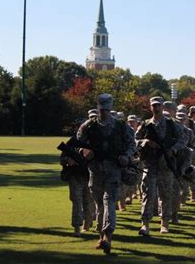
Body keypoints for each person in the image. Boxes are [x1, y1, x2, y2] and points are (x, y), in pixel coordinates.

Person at [76, 93, 136, 254]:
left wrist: (126, 156)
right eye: (102, 110)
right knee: (99, 204)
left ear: (110, 108)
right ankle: (101, 235)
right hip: (95, 170)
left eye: (106, 110)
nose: (104, 113)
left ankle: (108, 236)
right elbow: (78, 144)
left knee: (109, 200)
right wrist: (84, 151)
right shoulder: (88, 126)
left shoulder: (121, 126)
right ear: (98, 108)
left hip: (114, 169)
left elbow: (132, 144)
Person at [135, 97, 186, 236]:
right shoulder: (145, 125)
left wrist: (173, 149)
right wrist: (145, 142)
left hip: (165, 164)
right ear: (151, 107)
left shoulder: (172, 124)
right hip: (150, 164)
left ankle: (164, 223)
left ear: (162, 107)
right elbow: (135, 140)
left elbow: (183, 139)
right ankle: (145, 224)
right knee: (148, 194)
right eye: (154, 105)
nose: (156, 108)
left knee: (165, 195)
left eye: (158, 105)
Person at [59, 136, 94, 237]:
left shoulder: (94, 141)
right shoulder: (71, 143)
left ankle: (87, 224)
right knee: (77, 202)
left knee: (88, 202)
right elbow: (62, 159)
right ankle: (77, 227)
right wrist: (68, 160)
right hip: (75, 177)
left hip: (89, 177)